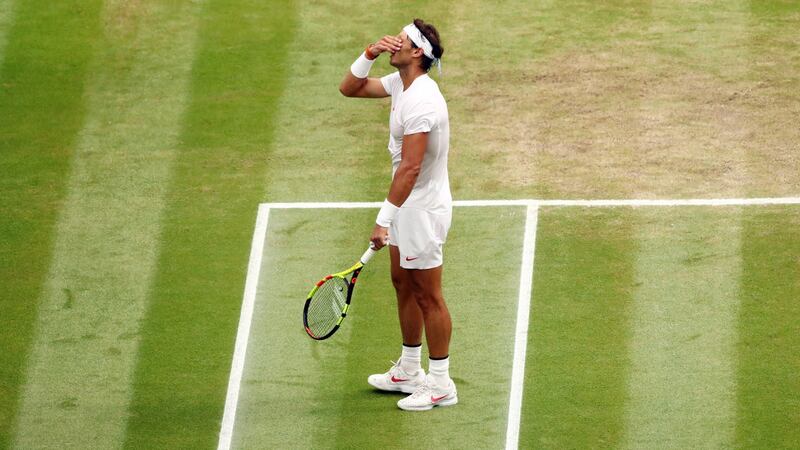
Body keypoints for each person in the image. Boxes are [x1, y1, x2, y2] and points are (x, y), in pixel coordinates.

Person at [338, 19, 455, 411]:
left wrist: (383, 219)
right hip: (408, 204)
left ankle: (440, 384)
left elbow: (410, 168)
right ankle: (409, 370)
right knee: (402, 283)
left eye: (400, 41)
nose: (393, 44)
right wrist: (368, 53)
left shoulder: (422, 100)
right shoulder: (400, 85)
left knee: (428, 295)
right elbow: (350, 87)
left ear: (417, 53)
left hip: (421, 210)